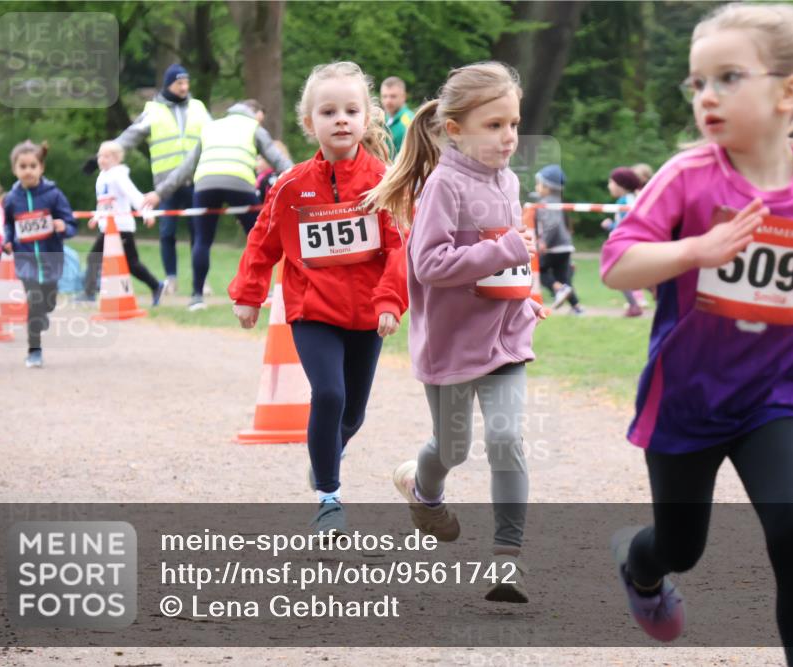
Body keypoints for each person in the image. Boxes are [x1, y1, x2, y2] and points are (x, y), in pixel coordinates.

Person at [600, 4, 793, 666]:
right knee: (680, 546)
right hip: (687, 399)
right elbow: (617, 264)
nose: (708, 96)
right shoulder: (687, 176)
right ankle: (641, 567)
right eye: (699, 83)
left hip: (773, 394)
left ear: (790, 92)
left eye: (728, 77)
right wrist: (698, 249)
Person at [364, 61, 546, 603]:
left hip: (506, 338)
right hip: (451, 346)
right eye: (494, 125)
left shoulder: (510, 179)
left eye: (513, 124)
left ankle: (507, 561)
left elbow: (508, 260)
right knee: (454, 447)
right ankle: (422, 489)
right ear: (454, 129)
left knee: (508, 439)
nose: (509, 137)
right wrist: (509, 248)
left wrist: (526, 295)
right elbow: (431, 266)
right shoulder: (444, 185)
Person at [229, 62, 407, 536]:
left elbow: (397, 247)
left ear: (368, 119)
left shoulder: (383, 181)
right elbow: (263, 240)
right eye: (329, 111)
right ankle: (329, 498)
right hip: (311, 310)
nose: (341, 119)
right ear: (311, 123)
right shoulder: (291, 185)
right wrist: (249, 293)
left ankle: (327, 449)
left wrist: (389, 300)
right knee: (328, 394)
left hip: (368, 313)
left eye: (351, 110)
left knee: (353, 413)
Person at [146, 99, 293, 311]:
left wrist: (159, 193)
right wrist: (307, 180)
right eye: (260, 117)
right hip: (239, 182)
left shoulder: (210, 127)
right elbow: (279, 161)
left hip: (205, 183)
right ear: (253, 113)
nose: (261, 122)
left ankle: (197, 297)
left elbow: (185, 169)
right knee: (260, 238)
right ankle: (262, 290)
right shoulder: (253, 127)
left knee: (202, 240)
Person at [97, 64, 211, 295]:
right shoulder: (154, 110)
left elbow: (214, 134)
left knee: (198, 232)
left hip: (196, 181)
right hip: (165, 186)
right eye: (179, 82)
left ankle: (202, 281)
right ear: (169, 84)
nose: (184, 87)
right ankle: (171, 279)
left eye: (186, 82)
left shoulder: (198, 108)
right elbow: (130, 135)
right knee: (167, 232)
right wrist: (107, 154)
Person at [2, 141, 77, 368]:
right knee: (34, 301)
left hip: (51, 256)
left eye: (32, 166)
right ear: (15, 170)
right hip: (25, 259)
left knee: (48, 302)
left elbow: (70, 222)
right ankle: (34, 351)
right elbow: (7, 225)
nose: (28, 171)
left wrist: (63, 226)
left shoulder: (53, 194)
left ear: (41, 168)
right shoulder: (12, 199)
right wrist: (7, 240)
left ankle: (44, 312)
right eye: (22, 166)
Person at [78, 141, 163, 306]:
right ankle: (89, 293)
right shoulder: (102, 177)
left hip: (121, 228)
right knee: (95, 258)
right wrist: (96, 218)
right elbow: (103, 203)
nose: (101, 159)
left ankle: (156, 285)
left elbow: (134, 195)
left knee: (131, 264)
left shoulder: (118, 175)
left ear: (116, 159)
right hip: (107, 228)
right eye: (100, 155)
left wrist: (147, 213)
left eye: (106, 156)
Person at [534, 164, 583, 314]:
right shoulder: (560, 202)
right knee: (565, 282)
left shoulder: (546, 204)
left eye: (538, 184)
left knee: (538, 271)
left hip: (553, 248)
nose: (536, 187)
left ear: (547, 187)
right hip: (565, 247)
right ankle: (577, 309)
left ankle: (558, 289)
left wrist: (544, 242)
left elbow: (553, 225)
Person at [600, 166, 647, 316]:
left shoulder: (625, 201)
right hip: (632, 243)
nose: (609, 186)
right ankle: (636, 304)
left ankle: (635, 306)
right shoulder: (632, 198)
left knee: (616, 274)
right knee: (632, 275)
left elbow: (626, 224)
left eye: (611, 182)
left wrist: (611, 226)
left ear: (621, 185)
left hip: (626, 245)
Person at [380, 76, 414, 158]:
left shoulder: (409, 121)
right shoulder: (382, 120)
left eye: (393, 96)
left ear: (403, 97)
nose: (388, 101)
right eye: (385, 96)